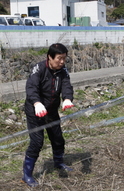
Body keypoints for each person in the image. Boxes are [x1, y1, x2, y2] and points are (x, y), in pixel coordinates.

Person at [22, 43, 75, 187]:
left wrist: (67, 99)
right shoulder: (39, 69)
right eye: (59, 58)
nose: (62, 62)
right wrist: (37, 103)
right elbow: (31, 87)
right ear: (49, 58)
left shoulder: (63, 70)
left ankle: (58, 163)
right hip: (36, 111)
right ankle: (26, 175)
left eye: (64, 58)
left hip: (51, 110)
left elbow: (66, 85)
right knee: (37, 142)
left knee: (58, 139)